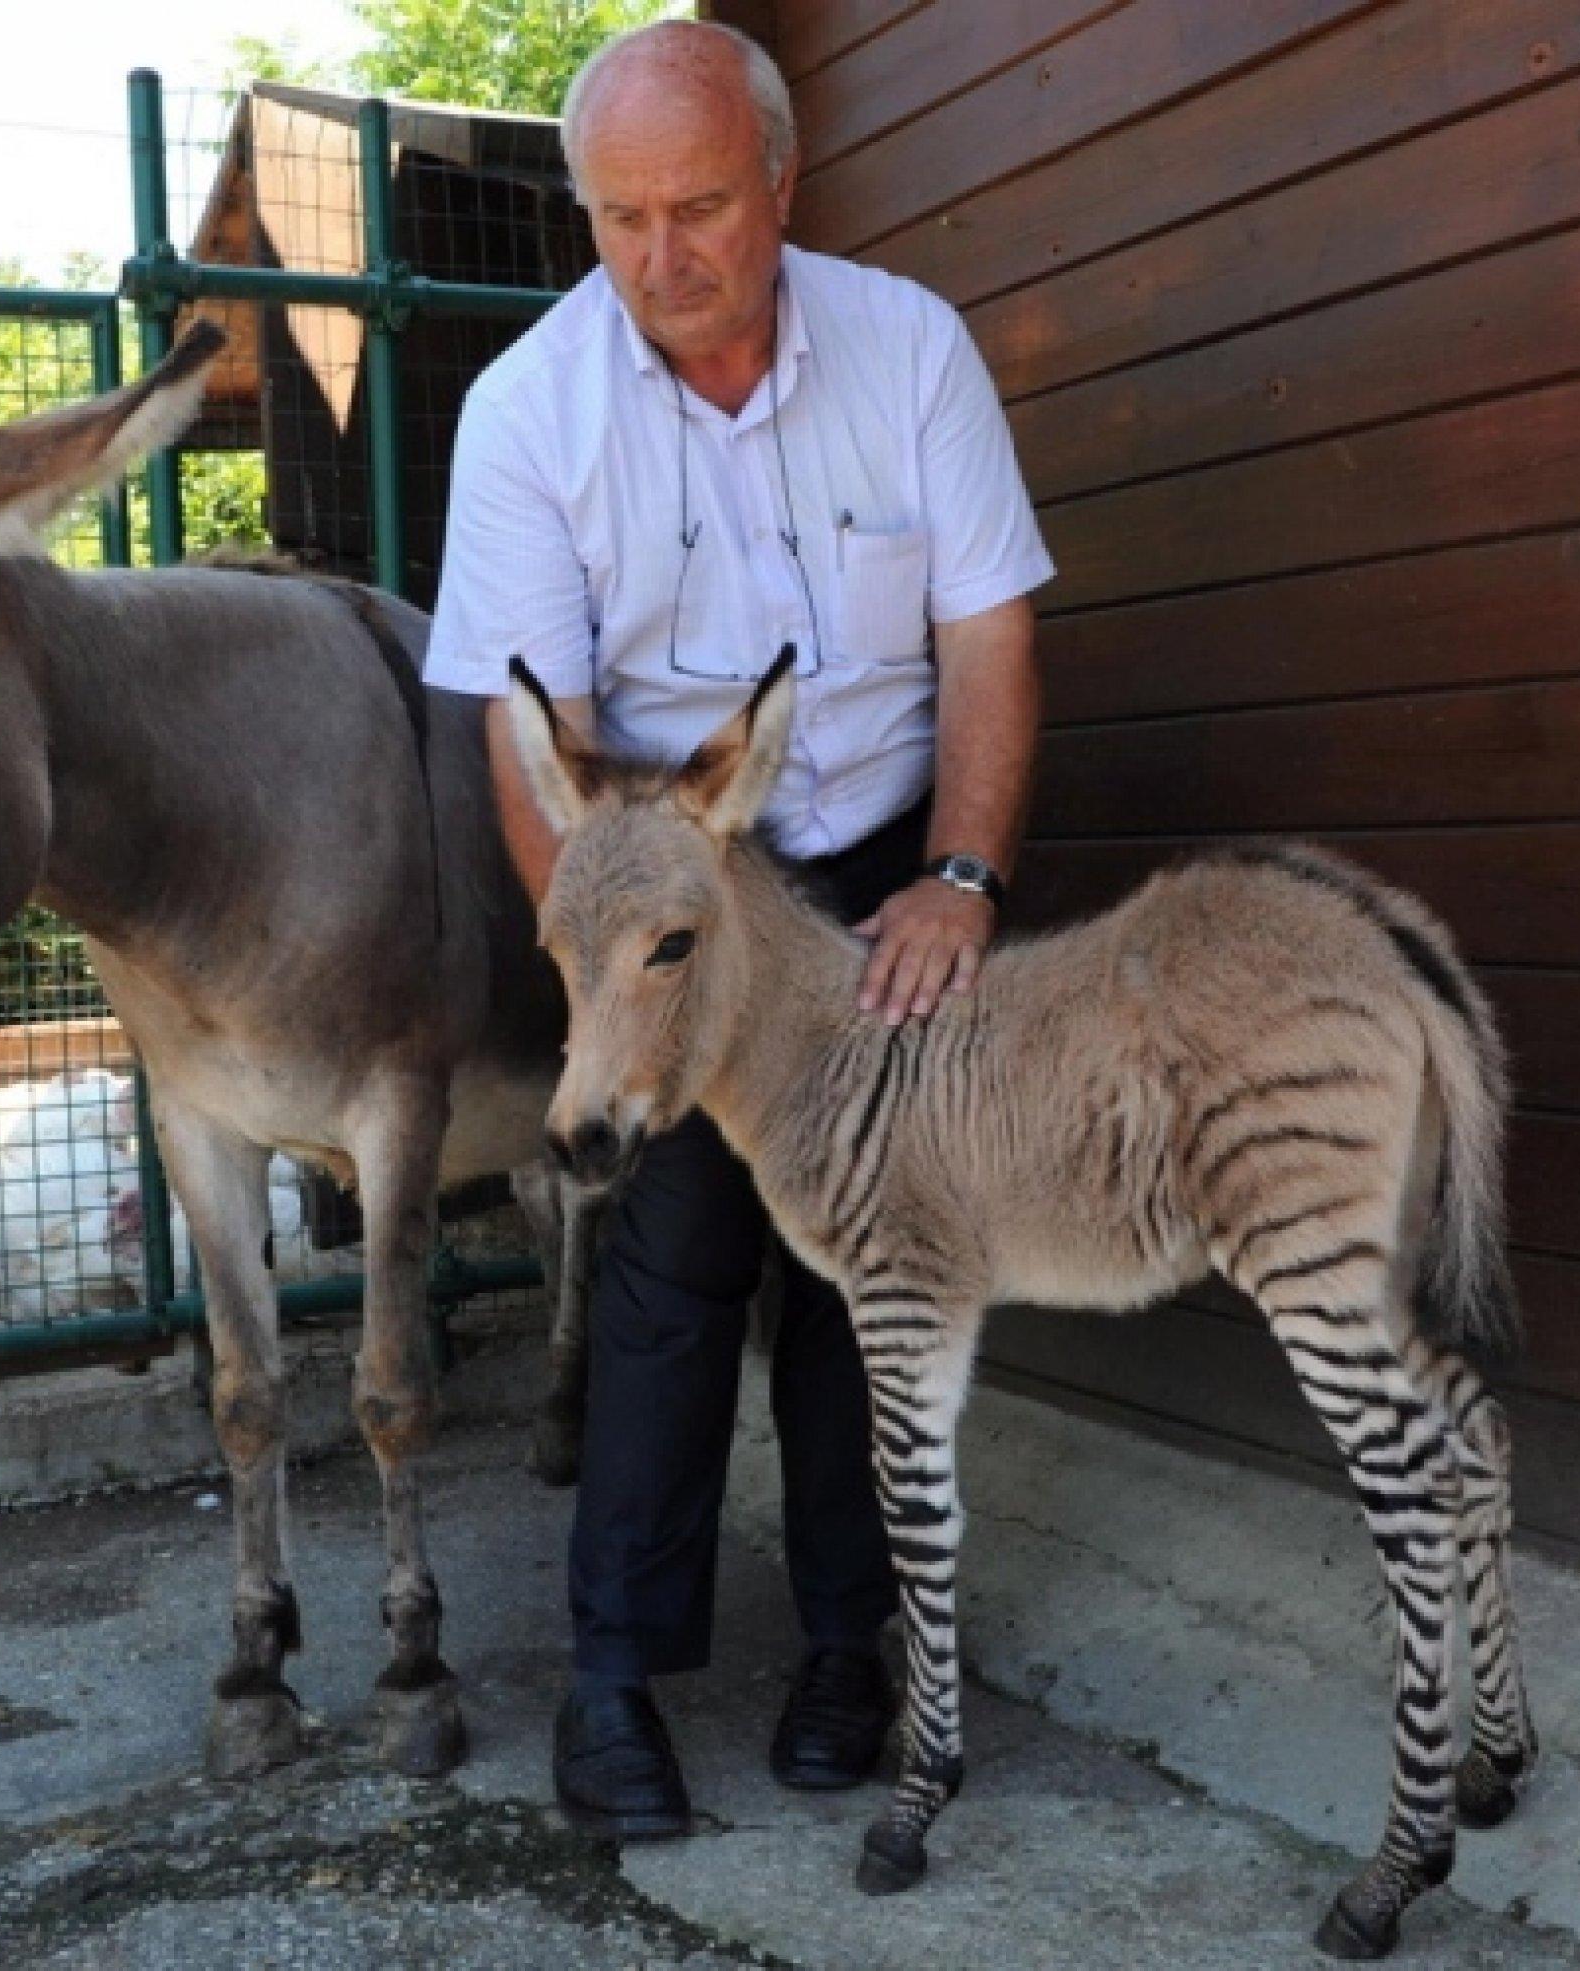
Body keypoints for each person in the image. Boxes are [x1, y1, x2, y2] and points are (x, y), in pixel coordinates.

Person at [422, 16, 1054, 1839]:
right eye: (617, 216)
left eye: (698, 205)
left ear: (785, 180)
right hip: (662, 881)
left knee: (876, 1261)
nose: (657, 255)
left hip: (873, 859)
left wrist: (965, 875)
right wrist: (606, 956)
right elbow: (520, 722)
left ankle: (858, 1650)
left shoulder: (910, 352)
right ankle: (611, 1682)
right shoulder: (528, 409)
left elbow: (988, 636)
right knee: (675, 1263)